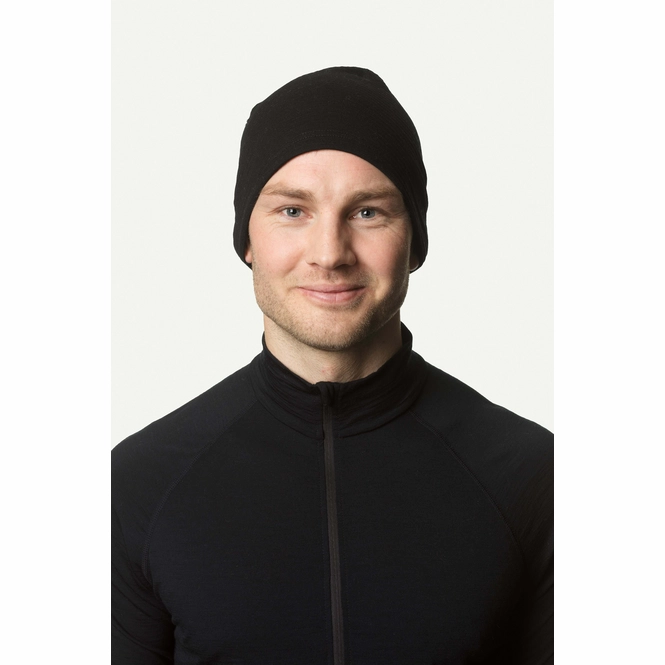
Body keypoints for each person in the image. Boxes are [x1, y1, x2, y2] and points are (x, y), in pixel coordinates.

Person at [112, 66, 553, 665]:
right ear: (247, 239)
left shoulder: (533, 479)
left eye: (367, 212)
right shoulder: (140, 484)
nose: (329, 254)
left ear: (414, 242)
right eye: (293, 211)